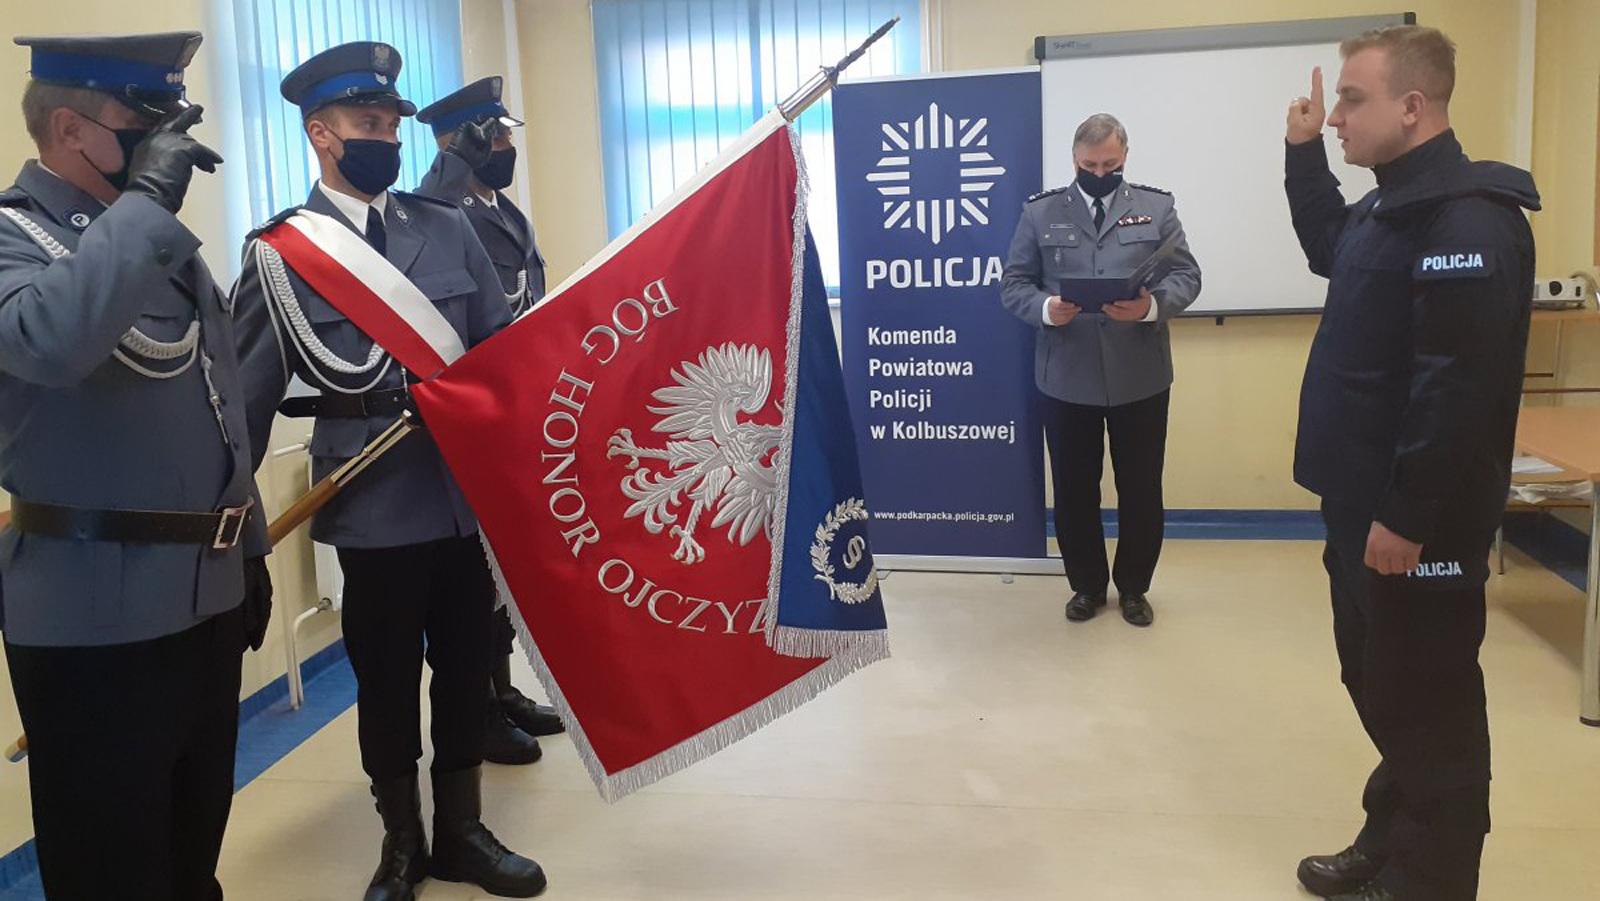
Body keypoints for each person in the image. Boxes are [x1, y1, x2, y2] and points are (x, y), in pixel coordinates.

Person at [231, 41, 546, 901]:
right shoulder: (283, 253)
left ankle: (463, 831)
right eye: (368, 124)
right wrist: (239, 535)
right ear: (321, 133)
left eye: (392, 125)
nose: (387, 139)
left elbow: (498, 352)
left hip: (461, 494)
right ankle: (402, 838)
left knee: (465, 665)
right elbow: (243, 408)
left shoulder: (443, 225)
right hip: (371, 498)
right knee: (387, 680)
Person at [0, 30, 272, 900]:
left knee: (192, 852)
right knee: (112, 868)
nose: (169, 140)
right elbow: (49, 337)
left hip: (204, 601)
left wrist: (251, 546)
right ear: (70, 129)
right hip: (93, 616)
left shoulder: (156, 245)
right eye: (146, 118)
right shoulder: (17, 237)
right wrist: (148, 201)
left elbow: (220, 402)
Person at [1283, 24, 1538, 901]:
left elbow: (1454, 386)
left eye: (1353, 100)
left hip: (1413, 520)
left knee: (1432, 702)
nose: (1338, 117)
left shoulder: (1467, 218)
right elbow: (1330, 245)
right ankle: (1391, 840)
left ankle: (1431, 879)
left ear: (1412, 106)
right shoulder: (1389, 207)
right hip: (1362, 504)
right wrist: (1303, 155)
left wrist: (1407, 513)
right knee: (1382, 683)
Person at [1001, 113, 1201, 628]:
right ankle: (1087, 587)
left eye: (1110, 165)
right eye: (1090, 165)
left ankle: (1134, 588)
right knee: (1074, 490)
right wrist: (1048, 309)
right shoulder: (1040, 213)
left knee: (1141, 488)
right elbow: (1014, 284)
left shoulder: (1156, 207)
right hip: (1066, 376)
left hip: (1140, 375)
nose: (1099, 173)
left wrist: (1151, 306)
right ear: (1074, 158)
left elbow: (1186, 274)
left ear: (1125, 156)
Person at [415, 75, 563, 752]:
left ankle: (501, 690)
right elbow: (424, 210)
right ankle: (478, 705)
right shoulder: (443, 209)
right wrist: (451, 163)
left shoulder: (503, 211)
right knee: (477, 572)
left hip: (515, 407)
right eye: (494, 136)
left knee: (503, 566)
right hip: (473, 417)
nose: (505, 146)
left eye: (505, 134)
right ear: (461, 142)